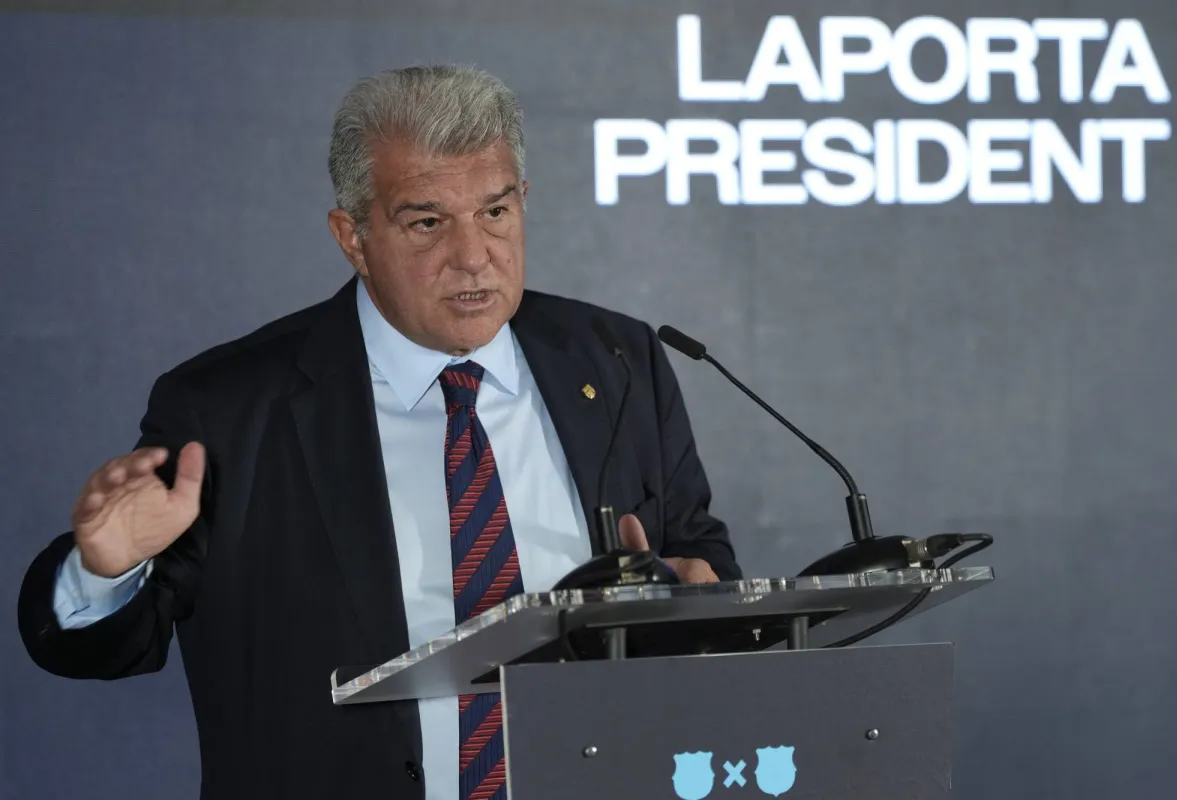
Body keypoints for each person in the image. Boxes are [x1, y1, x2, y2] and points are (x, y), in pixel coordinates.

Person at [17, 65, 740, 800]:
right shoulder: (229, 409)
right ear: (353, 237)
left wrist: (691, 594)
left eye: (494, 211)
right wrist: (105, 570)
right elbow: (109, 647)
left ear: (523, 200)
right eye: (427, 223)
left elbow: (696, 550)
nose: (473, 255)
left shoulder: (617, 360)